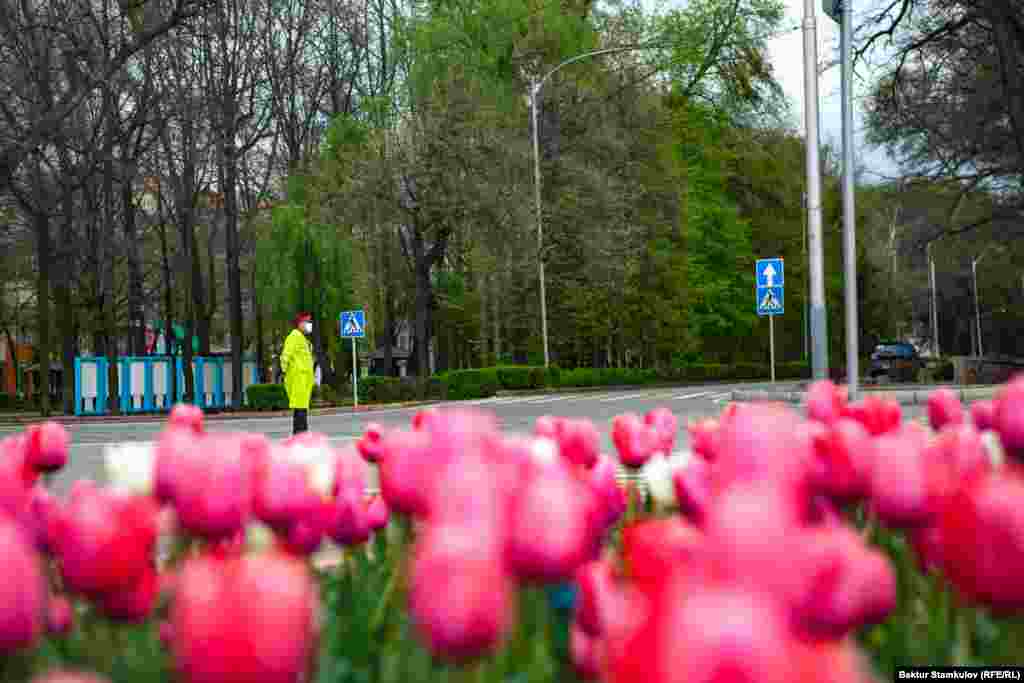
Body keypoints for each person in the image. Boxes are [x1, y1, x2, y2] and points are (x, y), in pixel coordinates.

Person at [281, 312, 315, 435]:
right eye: (307, 322)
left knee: (301, 408)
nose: (309, 325)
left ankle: (300, 434)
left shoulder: (302, 337)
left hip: (303, 378)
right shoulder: (294, 336)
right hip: (298, 378)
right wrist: (283, 371)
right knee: (300, 409)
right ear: (300, 323)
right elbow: (286, 355)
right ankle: (301, 434)